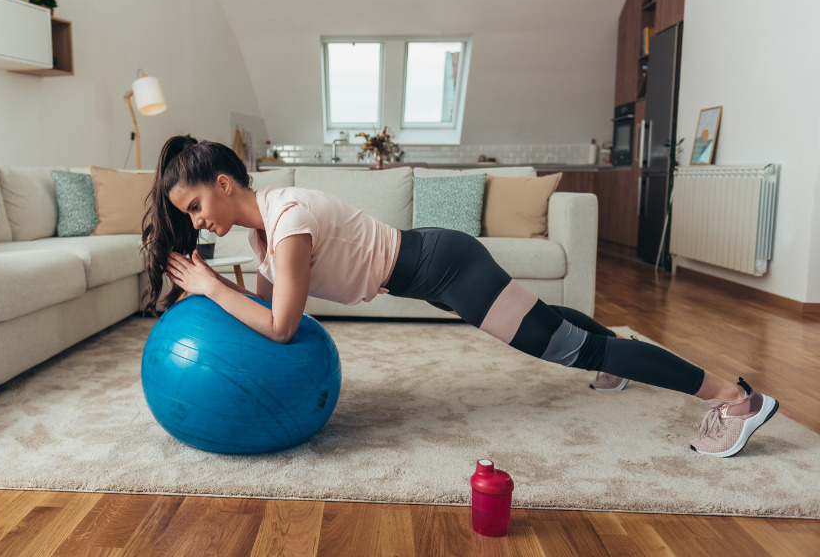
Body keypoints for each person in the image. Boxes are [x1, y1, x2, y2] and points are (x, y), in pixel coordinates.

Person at [141, 135, 779, 458]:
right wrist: (215, 285)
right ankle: (613, 358)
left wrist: (205, 286)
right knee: (557, 326)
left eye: (197, 206)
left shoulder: (289, 221)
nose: (198, 221)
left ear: (225, 183)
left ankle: (734, 398)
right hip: (431, 271)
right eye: (188, 215)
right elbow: (260, 323)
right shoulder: (263, 236)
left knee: (563, 348)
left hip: (447, 268)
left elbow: (281, 329)